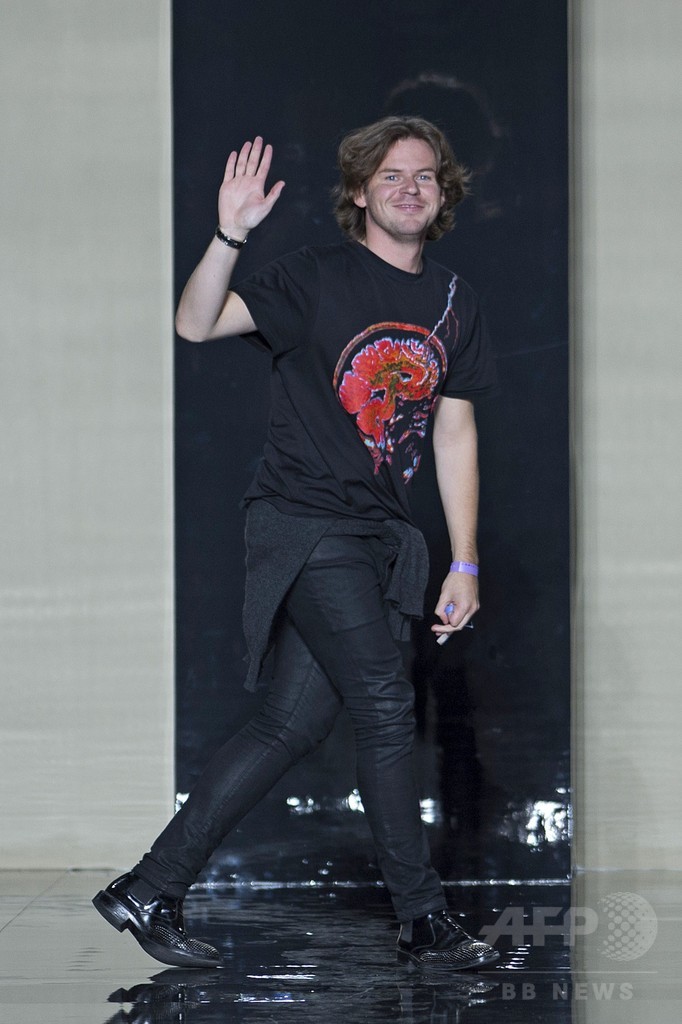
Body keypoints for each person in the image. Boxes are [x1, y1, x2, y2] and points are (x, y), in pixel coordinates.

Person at [93, 116, 499, 972]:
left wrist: (463, 558)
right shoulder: (314, 277)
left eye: (425, 176)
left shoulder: (454, 302)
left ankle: (149, 887)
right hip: (306, 522)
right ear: (359, 193)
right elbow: (196, 323)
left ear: (444, 194)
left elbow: (455, 431)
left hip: (378, 533)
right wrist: (229, 234)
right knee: (384, 705)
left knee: (293, 722)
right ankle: (422, 919)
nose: (410, 188)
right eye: (390, 176)